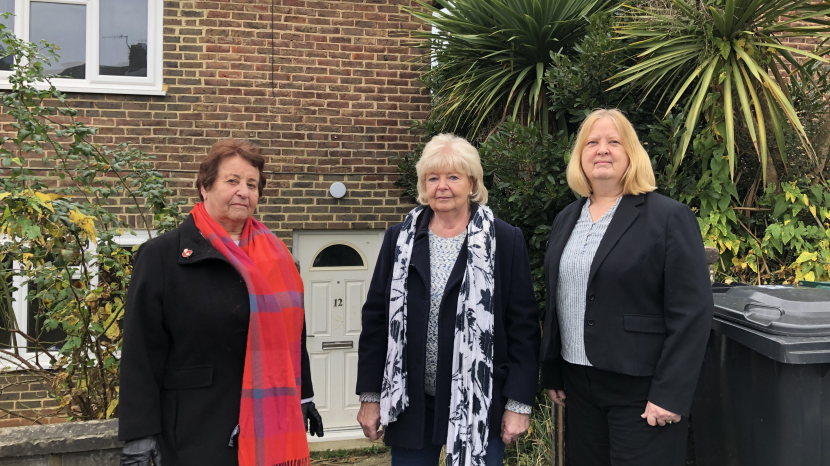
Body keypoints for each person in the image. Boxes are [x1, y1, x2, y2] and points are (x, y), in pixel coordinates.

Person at [119, 139, 324, 466]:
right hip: (193, 431)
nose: (244, 191)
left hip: (269, 425)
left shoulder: (278, 258)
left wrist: (304, 395)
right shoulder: (162, 256)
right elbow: (140, 351)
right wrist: (139, 433)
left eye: (252, 184)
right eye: (232, 181)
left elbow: (293, 335)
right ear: (204, 187)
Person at [540, 109, 714, 466]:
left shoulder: (667, 217)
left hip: (642, 390)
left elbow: (692, 312)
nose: (602, 149)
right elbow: (559, 299)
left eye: (613, 142)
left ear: (632, 154)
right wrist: (554, 370)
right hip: (579, 386)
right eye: (592, 142)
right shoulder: (565, 219)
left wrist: (671, 393)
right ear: (580, 156)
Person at [356, 134, 540, 466]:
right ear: (424, 185)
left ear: (471, 182)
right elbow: (376, 321)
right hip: (411, 403)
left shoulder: (505, 240)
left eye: (453, 177)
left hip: (479, 403)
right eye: (433, 178)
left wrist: (519, 404)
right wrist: (370, 396)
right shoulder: (399, 240)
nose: (442, 186)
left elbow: (523, 329)